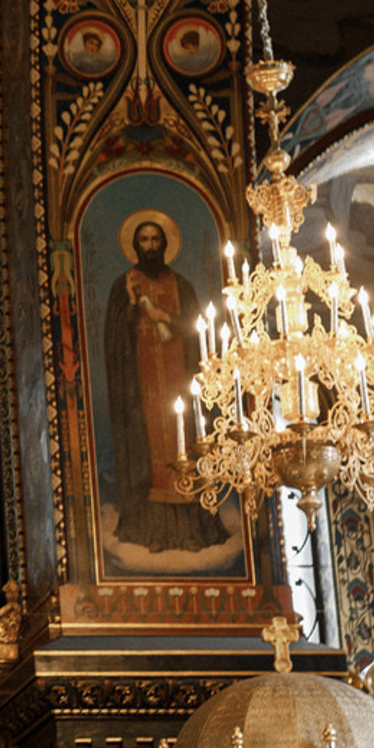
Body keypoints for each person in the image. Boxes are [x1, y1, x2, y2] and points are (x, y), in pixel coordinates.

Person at [101, 216, 226, 554]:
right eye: (144, 240)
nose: (151, 246)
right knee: (150, 450)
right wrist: (131, 305)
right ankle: (150, 532)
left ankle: (190, 531)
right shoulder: (123, 285)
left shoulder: (181, 285)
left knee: (182, 446)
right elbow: (114, 339)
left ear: (165, 244)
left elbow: (198, 328)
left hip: (179, 383)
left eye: (156, 240)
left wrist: (165, 317)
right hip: (141, 389)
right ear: (135, 245)